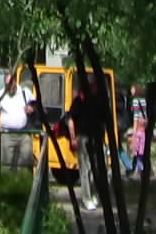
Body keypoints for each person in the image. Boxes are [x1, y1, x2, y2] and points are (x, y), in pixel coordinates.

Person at [64, 74, 102, 212]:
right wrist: (73, 138)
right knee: (85, 169)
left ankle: (95, 195)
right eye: (95, 86)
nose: (97, 89)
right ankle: (86, 198)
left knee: (96, 168)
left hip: (96, 139)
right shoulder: (80, 101)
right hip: (83, 137)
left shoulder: (98, 101)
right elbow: (70, 119)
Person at [0, 71, 35, 166]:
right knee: (7, 165)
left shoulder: (24, 92)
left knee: (26, 162)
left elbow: (36, 105)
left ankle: (25, 180)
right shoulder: (0, 95)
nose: (9, 86)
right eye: (7, 84)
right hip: (7, 135)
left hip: (24, 134)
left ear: (15, 81)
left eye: (11, 83)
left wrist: (32, 109)